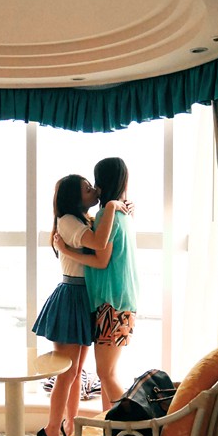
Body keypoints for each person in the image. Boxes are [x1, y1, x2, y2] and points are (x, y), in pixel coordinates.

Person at [32, 174, 127, 436]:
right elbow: (98, 244)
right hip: (71, 297)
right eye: (87, 188)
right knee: (67, 373)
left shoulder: (84, 219)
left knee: (75, 373)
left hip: (83, 297)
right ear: (75, 196)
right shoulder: (68, 222)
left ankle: (70, 427)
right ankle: (52, 429)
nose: (93, 190)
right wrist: (112, 206)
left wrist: (121, 211)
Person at [56, 157, 139, 411]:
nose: (94, 189)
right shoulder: (124, 214)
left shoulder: (108, 214)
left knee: (106, 374)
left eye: (94, 183)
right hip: (123, 301)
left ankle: (132, 427)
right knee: (108, 374)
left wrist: (65, 251)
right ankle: (110, 429)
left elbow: (101, 260)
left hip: (111, 303)